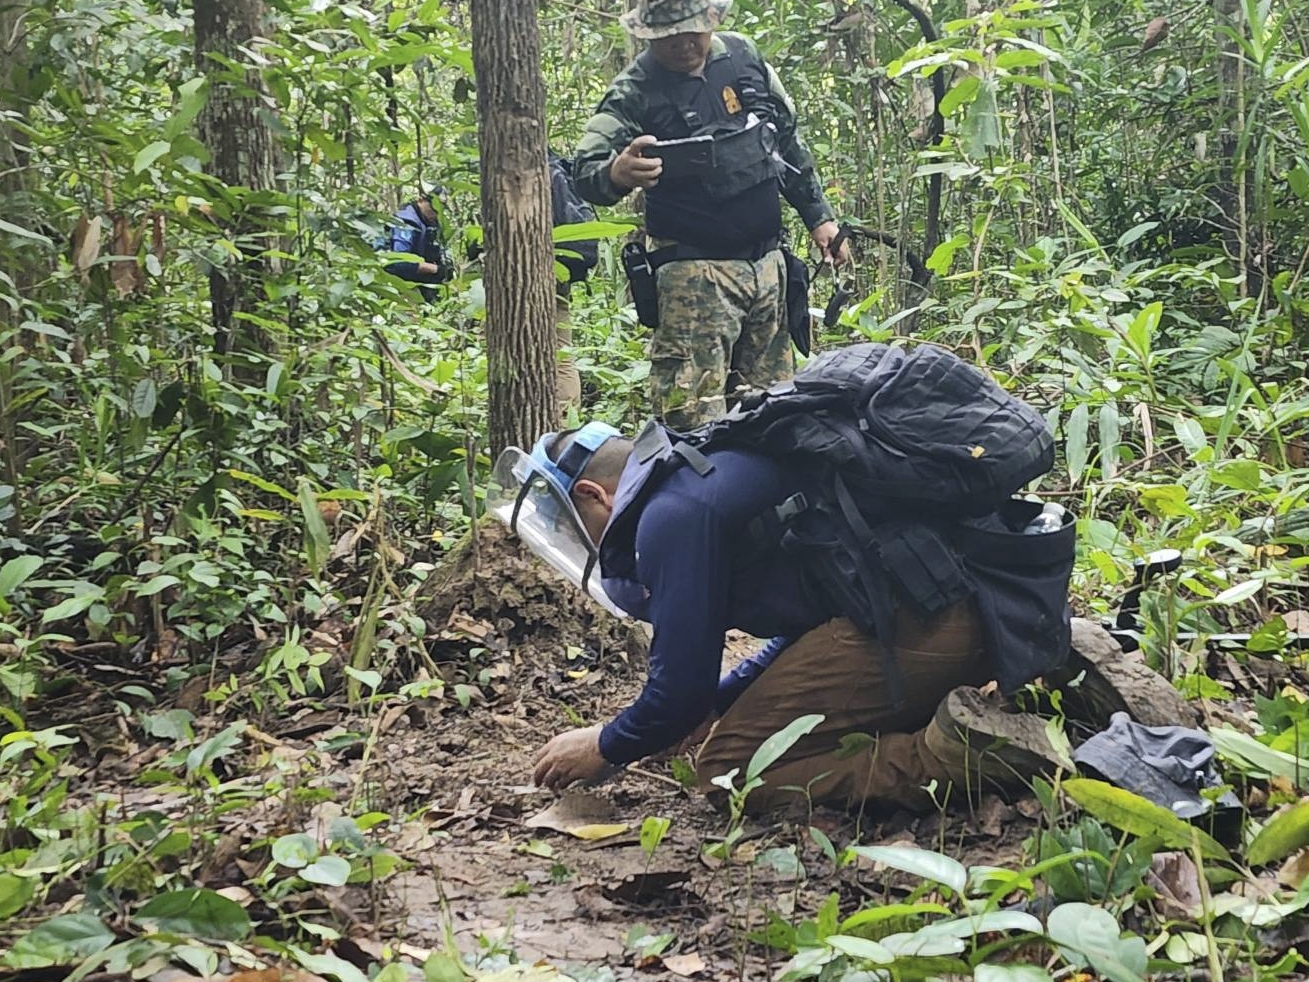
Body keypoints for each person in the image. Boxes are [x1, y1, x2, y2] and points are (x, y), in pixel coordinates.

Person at [527, 424, 1178, 815]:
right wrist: (717, 702)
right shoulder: (703, 471)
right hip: (987, 590)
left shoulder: (667, 520)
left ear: (594, 494)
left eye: (569, 521)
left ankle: (963, 752)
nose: (577, 539)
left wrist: (605, 744)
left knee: (728, 769)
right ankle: (1055, 646)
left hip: (928, 613)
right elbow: (802, 616)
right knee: (730, 724)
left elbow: (675, 696)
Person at [573, 0, 850, 429]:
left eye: (693, 31)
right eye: (670, 35)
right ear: (649, 34)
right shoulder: (634, 90)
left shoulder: (742, 57)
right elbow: (585, 172)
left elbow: (786, 142)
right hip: (695, 279)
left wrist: (820, 218)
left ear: (712, 22)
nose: (684, 44)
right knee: (693, 423)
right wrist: (618, 172)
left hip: (768, 269)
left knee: (773, 413)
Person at [548, 150, 600, 410]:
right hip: (562, 272)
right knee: (561, 351)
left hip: (546, 270)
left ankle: (560, 421)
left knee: (558, 354)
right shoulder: (559, 170)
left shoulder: (536, 174)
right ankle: (567, 418)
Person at [376, 186, 454, 303]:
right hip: (395, 284)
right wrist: (435, 269)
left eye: (440, 209)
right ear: (421, 200)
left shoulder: (430, 224)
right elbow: (398, 264)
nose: (436, 213)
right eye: (433, 207)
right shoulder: (405, 223)